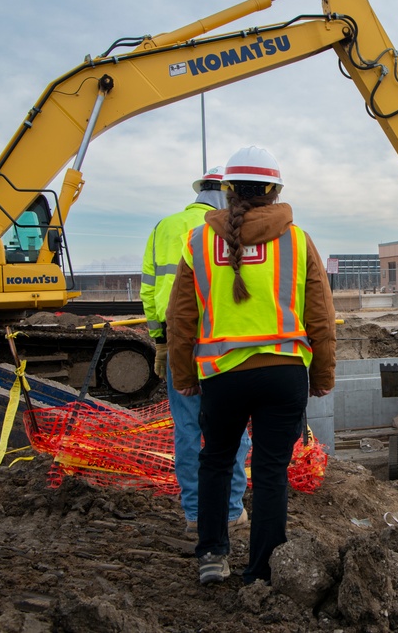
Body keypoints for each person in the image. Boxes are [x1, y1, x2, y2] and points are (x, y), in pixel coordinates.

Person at [166, 145, 336, 587]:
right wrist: (322, 376)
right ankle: (261, 568)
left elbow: (181, 319)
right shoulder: (297, 240)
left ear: (226, 190)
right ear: (274, 190)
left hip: (222, 377)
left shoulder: (199, 241)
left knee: (216, 461)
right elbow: (320, 315)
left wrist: (183, 376)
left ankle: (211, 555)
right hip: (284, 375)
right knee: (270, 469)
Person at [140, 166, 252, 536]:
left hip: (178, 343)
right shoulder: (226, 229)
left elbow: (148, 290)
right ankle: (232, 511)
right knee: (232, 430)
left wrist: (159, 340)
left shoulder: (164, 227)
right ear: (226, 192)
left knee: (187, 430)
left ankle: (194, 515)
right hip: (221, 345)